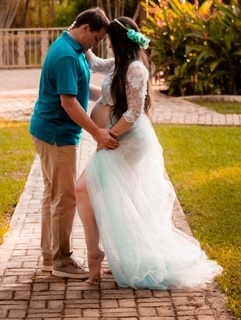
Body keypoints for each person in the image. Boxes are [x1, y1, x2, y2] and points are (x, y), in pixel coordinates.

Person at [75, 16, 224, 289]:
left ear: (119, 42)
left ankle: (98, 254)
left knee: (85, 188)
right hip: (116, 139)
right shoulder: (119, 63)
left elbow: (133, 113)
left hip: (127, 140)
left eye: (110, 41)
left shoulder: (135, 69)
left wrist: (107, 136)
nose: (107, 45)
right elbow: (94, 63)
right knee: (115, 196)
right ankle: (115, 254)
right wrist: (76, 30)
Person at [29, 8, 119, 278]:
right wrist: (97, 132)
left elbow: (79, 90)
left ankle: (50, 256)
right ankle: (62, 261)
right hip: (57, 135)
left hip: (49, 131)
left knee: (53, 195)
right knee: (65, 198)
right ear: (85, 28)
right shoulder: (67, 55)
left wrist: (109, 97)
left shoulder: (73, 47)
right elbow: (68, 103)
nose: (97, 44)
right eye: (97, 38)